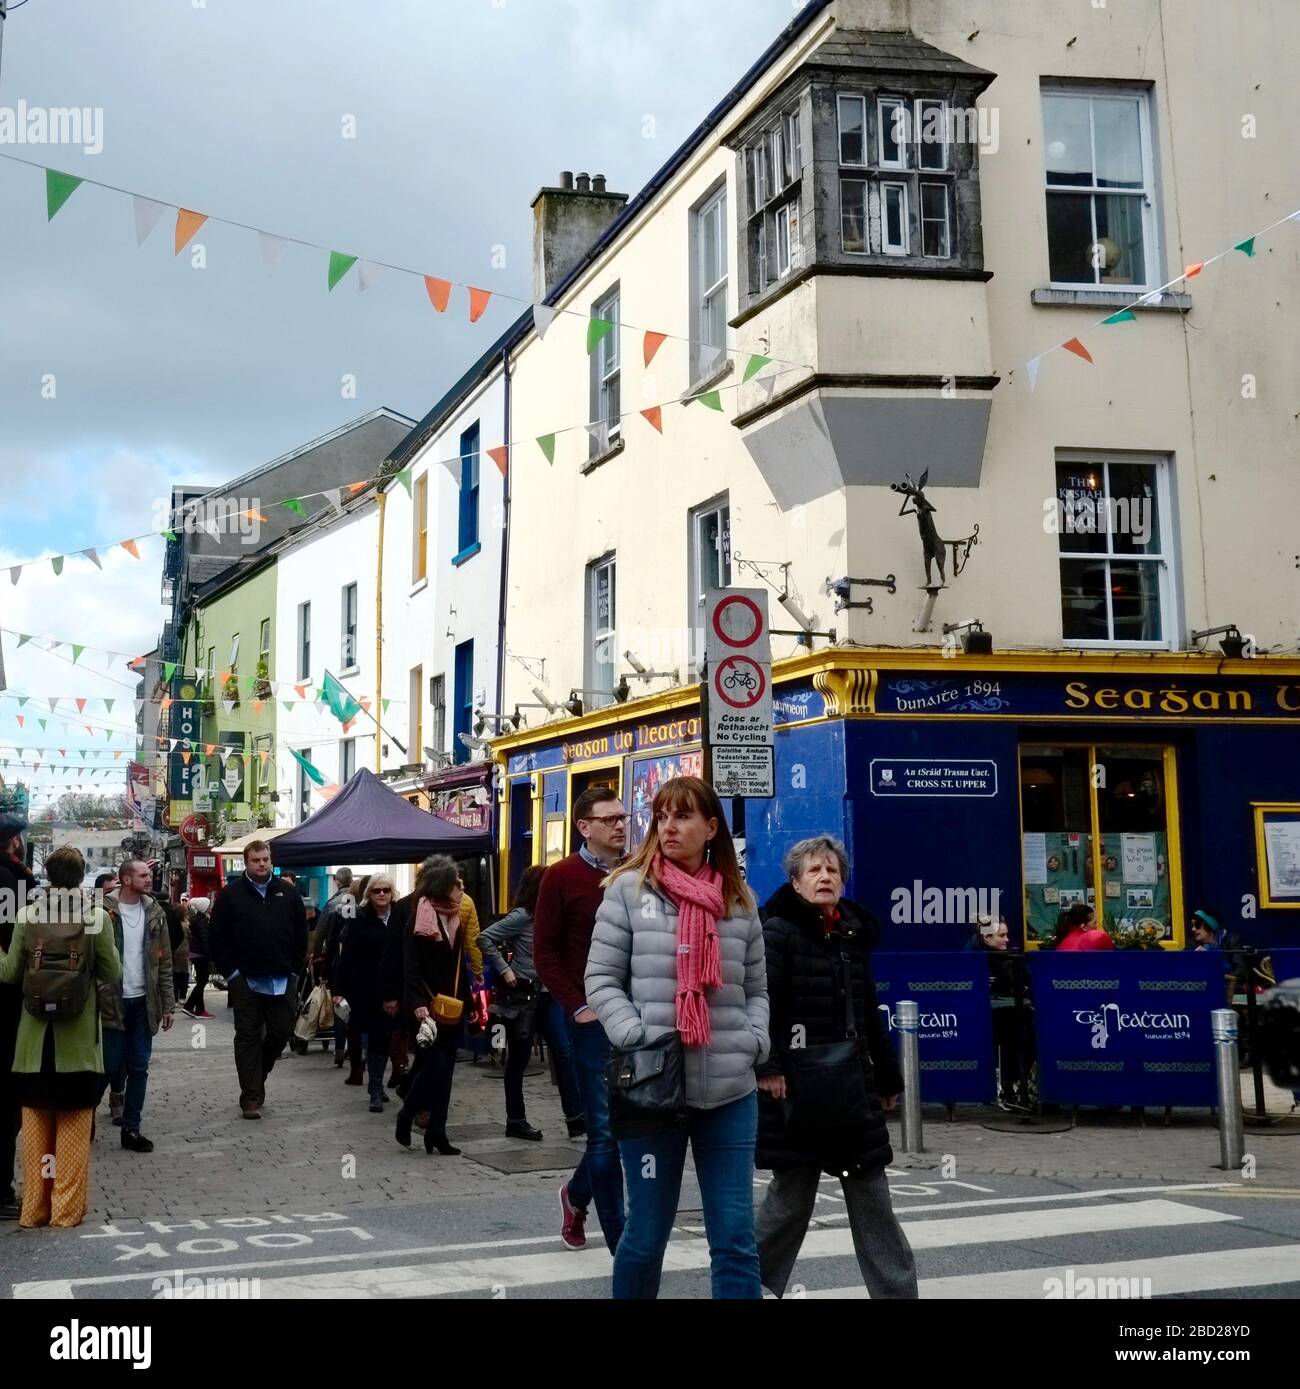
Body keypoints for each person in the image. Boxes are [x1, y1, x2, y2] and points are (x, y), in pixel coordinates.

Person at [586, 775, 770, 1300]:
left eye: (683, 816)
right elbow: (600, 981)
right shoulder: (628, 890)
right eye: (662, 816)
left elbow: (757, 987)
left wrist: (755, 1039)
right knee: (645, 1235)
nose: (669, 826)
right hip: (651, 1087)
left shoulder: (739, 900)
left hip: (730, 1090)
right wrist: (639, 1038)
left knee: (735, 1238)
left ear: (711, 828)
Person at [754, 836, 917, 1299]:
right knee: (789, 1201)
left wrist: (887, 1078)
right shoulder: (779, 932)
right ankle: (745, 1287)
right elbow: (762, 1002)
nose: (824, 877)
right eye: (814, 871)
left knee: (874, 1201)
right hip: (797, 1089)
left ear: (843, 881)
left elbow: (868, 1014)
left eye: (832, 871)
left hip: (851, 1089)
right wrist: (767, 1065)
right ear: (796, 882)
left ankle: (897, 1295)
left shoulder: (852, 936)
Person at [0, 846, 120, 1227]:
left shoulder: (27, 915)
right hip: (79, 1043)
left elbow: (8, 975)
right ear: (81, 874)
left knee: (35, 1127)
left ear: (47, 874)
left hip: (34, 1044)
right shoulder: (96, 917)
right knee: (73, 1127)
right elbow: (112, 972)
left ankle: (34, 1208)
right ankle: (65, 1211)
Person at [534, 785, 629, 1253]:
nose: (619, 825)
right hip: (591, 1019)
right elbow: (545, 950)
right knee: (606, 1131)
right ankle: (622, 1243)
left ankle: (574, 1195)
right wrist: (577, 1005)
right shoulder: (561, 877)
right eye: (609, 819)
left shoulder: (637, 871)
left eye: (622, 817)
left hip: (640, 1015)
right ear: (583, 827)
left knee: (632, 1125)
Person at [478, 865, 585, 1142]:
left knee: (563, 1053)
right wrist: (504, 969)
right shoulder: (522, 916)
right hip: (525, 995)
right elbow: (485, 937)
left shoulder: (554, 915)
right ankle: (515, 1120)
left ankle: (576, 1119)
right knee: (519, 1059)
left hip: (550, 995)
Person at [208, 840, 308, 1119]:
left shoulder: (288, 893)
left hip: (282, 979)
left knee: (280, 1032)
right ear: (246, 863)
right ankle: (250, 1097)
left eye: (265, 859)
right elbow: (216, 938)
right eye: (256, 860)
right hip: (246, 982)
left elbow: (301, 935)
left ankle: (258, 1073)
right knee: (248, 1037)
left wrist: (294, 971)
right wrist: (232, 974)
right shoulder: (231, 895)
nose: (262, 864)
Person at [393, 856, 483, 1155]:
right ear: (441, 887)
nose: (461, 889)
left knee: (446, 1072)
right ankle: (406, 1115)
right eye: (456, 884)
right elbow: (411, 967)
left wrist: (469, 1001)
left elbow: (460, 965)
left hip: (452, 1006)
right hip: (425, 1007)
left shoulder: (456, 916)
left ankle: (437, 1132)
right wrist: (417, 1005)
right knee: (436, 1066)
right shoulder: (417, 917)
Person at [101, 860, 176, 1151]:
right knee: (107, 1066)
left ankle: (131, 1129)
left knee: (139, 1067)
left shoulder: (155, 912)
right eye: (143, 875)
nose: (149, 878)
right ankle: (85, 1121)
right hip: (111, 1001)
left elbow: (164, 959)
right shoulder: (103, 911)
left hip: (144, 1002)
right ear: (125, 878)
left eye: (149, 874)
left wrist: (168, 1004)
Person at [333, 874, 400, 1113]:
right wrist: (338, 989)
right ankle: (375, 1088)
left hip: (393, 988)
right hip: (365, 988)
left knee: (385, 1037)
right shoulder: (359, 920)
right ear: (368, 894)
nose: (382, 894)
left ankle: (378, 1084)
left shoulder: (401, 918)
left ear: (392, 893)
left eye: (386, 890)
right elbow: (347, 956)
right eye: (377, 890)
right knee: (375, 1035)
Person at [0, 816, 35, 1220]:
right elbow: (17, 947)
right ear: (13, 842)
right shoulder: (12, 883)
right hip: (7, 1002)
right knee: (8, 1100)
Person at [965, 913, 1034, 1107]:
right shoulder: (973, 958)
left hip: (1014, 1011)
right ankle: (1008, 1085)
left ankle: (1019, 1083)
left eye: (1006, 934)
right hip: (987, 1016)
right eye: (1001, 935)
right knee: (1016, 1030)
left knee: (1029, 1027)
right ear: (986, 938)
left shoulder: (1010, 957)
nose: (1007, 939)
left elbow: (1027, 982)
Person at [318, 869, 357, 1070]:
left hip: (338, 967)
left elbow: (324, 937)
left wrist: (320, 964)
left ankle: (341, 1047)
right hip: (359, 969)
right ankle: (355, 1047)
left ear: (336, 881)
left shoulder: (333, 905)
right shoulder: (363, 906)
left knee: (341, 1007)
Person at [1191, 908, 1250, 1002]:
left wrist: (1212, 959)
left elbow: (1241, 971)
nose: (1193, 929)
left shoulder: (1231, 940)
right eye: (1192, 926)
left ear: (1209, 925)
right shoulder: (1193, 946)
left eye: (1197, 925)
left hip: (1228, 988)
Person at [181, 896, 214, 1019]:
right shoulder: (202, 922)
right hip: (201, 954)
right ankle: (190, 1006)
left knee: (201, 981)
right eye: (209, 905)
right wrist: (211, 956)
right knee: (202, 981)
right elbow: (204, 940)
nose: (211, 907)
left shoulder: (198, 920)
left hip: (196, 953)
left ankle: (200, 1009)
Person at [166, 900, 190, 1013]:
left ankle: (175, 997)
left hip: (174, 951)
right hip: (184, 950)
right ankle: (182, 996)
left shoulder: (170, 924)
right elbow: (189, 937)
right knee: (184, 974)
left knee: (174, 975)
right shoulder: (186, 924)